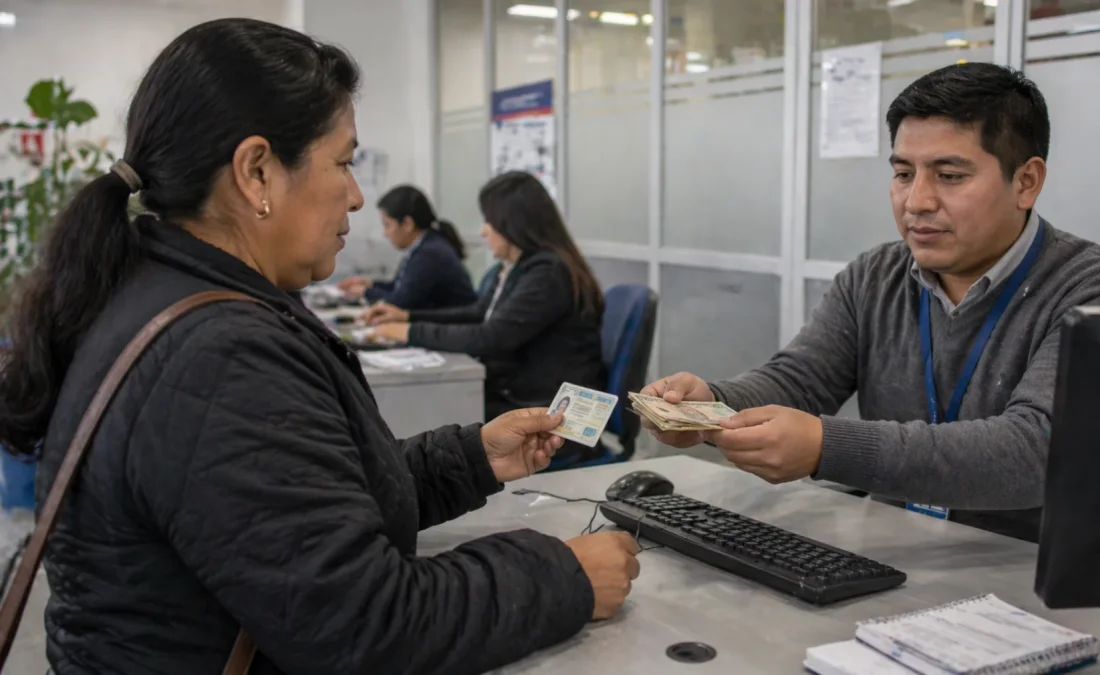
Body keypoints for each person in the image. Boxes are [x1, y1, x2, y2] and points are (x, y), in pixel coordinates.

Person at [0, 20, 639, 675]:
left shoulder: (159, 297)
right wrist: (564, 574)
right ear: (256, 173)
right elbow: (366, 624)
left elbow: (309, 503)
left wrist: (472, 458)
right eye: (342, 162)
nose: (357, 195)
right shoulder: (219, 356)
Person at [640, 63, 1100, 543]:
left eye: (949, 176)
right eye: (904, 173)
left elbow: (1034, 451)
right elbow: (799, 381)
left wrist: (827, 448)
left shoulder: (1099, 293)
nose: (917, 202)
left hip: (1023, 569)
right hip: (892, 548)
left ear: (1026, 182)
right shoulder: (875, 276)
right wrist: (709, 405)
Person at [362, 172, 608, 436]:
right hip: (522, 397)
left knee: (428, 425)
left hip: (551, 415)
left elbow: (491, 337)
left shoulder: (547, 273)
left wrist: (410, 332)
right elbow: (479, 314)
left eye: (490, 221)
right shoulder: (520, 268)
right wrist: (407, 318)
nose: (483, 231)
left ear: (514, 223)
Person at [337, 185, 477, 310]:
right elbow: (401, 289)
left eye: (387, 225)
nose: (385, 233)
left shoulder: (430, 253)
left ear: (407, 224)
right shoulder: (425, 245)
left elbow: (401, 302)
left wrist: (364, 292)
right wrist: (369, 284)